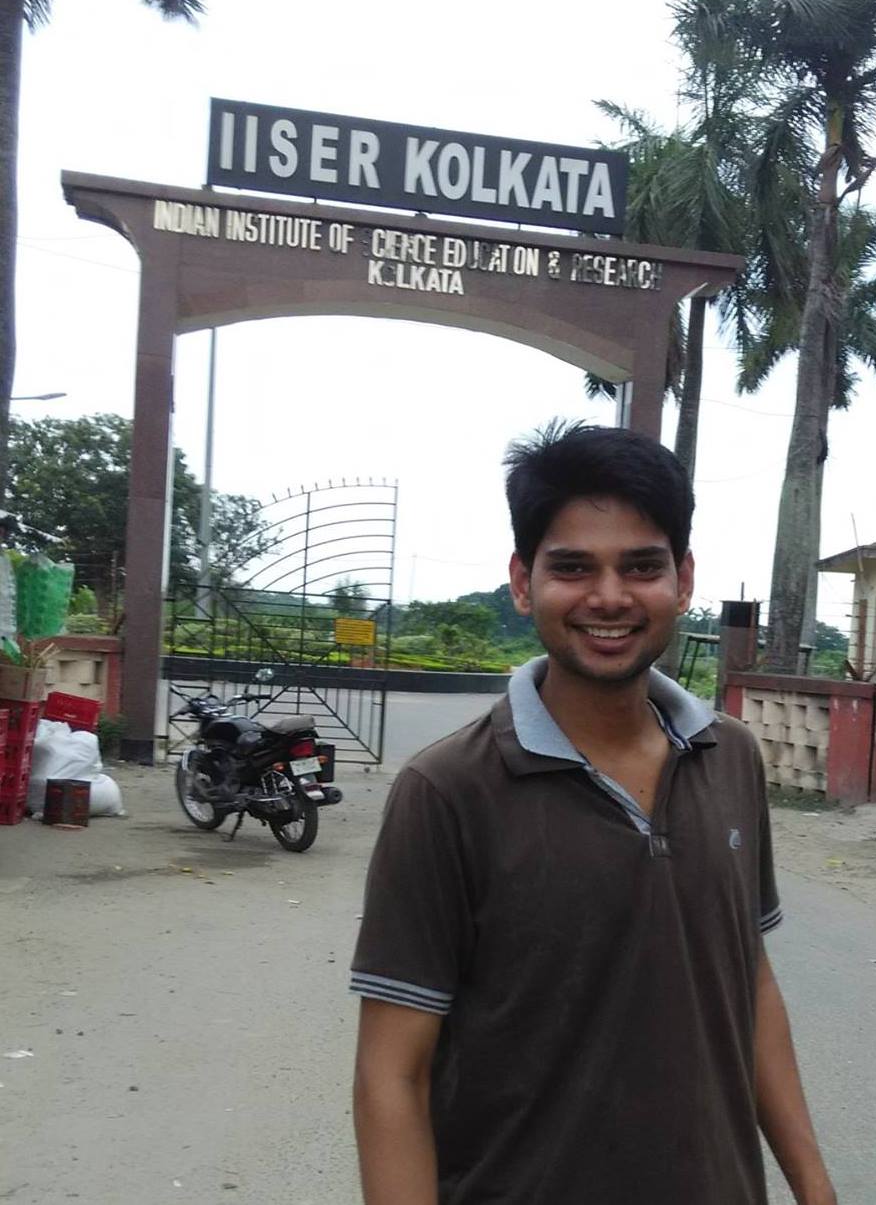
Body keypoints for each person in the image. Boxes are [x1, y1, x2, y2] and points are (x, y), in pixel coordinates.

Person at [351, 422, 837, 1205]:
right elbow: (391, 1074)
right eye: (572, 567)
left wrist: (813, 1184)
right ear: (522, 581)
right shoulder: (446, 791)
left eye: (640, 566)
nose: (608, 597)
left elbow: (745, 979)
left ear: (682, 579)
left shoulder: (732, 758)